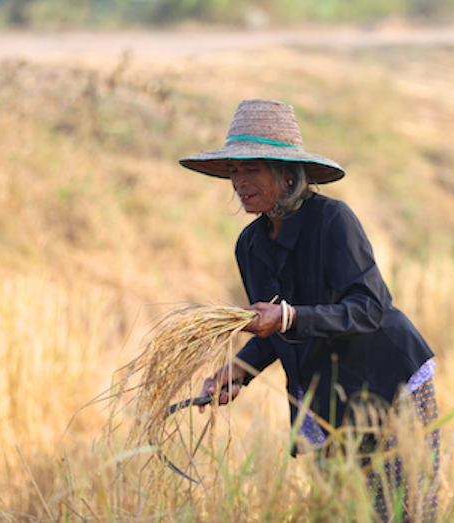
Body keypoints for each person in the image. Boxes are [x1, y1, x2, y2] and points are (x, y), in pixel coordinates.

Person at [180, 98, 439, 522]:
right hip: (325, 397)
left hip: (386, 385)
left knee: (401, 512)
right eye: (233, 170)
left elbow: (370, 307)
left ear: (287, 174)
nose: (239, 181)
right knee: (342, 512)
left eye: (251, 169)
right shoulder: (250, 245)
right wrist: (241, 370)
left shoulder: (333, 221)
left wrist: (288, 317)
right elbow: (275, 329)